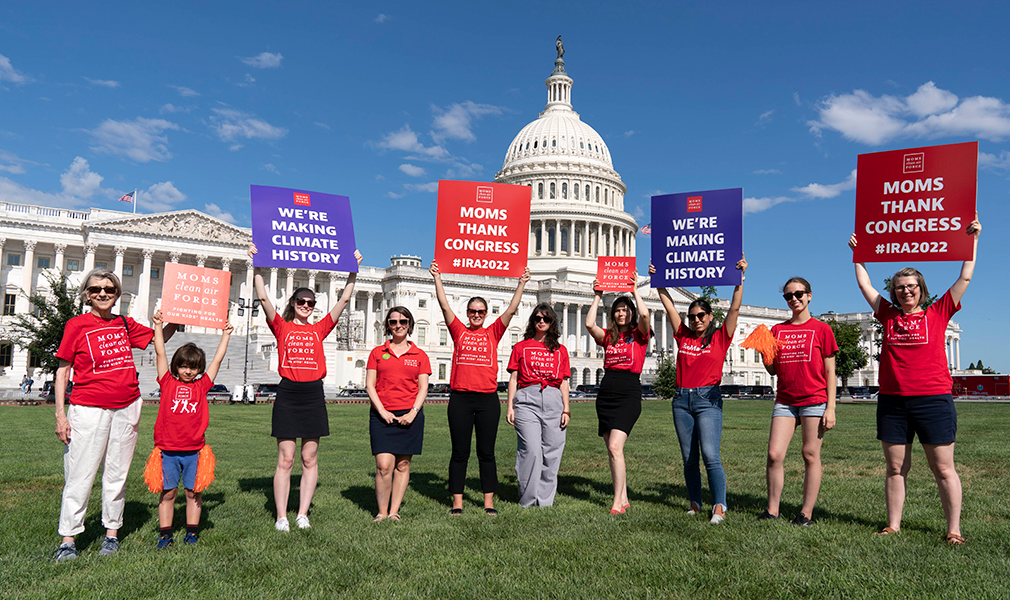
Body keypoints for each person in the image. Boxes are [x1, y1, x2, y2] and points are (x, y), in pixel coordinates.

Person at [849, 215, 981, 544]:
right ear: (894, 292)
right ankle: (893, 524)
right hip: (893, 402)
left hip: (933, 399)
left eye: (912, 286)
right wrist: (858, 255)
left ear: (921, 290)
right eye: (900, 287)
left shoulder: (939, 312)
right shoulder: (887, 314)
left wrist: (972, 240)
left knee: (943, 468)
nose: (906, 291)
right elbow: (865, 286)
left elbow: (965, 275)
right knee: (895, 468)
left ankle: (954, 529)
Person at [52, 269, 176, 562]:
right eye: (95, 289)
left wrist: (178, 317)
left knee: (117, 474)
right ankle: (68, 538)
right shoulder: (77, 325)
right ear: (87, 294)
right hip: (87, 408)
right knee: (79, 474)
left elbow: (159, 338)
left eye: (109, 289)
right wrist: (60, 415)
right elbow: (62, 371)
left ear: (117, 293)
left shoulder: (124, 323)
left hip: (127, 406)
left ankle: (111, 533)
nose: (102, 294)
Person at [250, 244, 362, 531]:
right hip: (288, 393)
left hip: (313, 394)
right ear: (293, 303)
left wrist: (353, 271)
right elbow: (262, 296)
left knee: (309, 457)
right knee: (286, 458)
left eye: (310, 302)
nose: (306, 305)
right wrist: (257, 264)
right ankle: (281, 516)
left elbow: (345, 300)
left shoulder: (319, 328)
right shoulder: (281, 327)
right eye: (301, 301)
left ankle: (302, 513)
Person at [430, 260, 531, 515]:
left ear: (486, 314)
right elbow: (443, 305)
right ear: (467, 313)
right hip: (461, 399)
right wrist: (437, 277)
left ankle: (488, 502)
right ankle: (457, 503)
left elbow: (511, 309)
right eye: (473, 311)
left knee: (487, 453)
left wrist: (521, 283)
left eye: (481, 312)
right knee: (459, 453)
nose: (476, 315)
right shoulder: (458, 331)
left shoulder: (493, 332)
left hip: (487, 400)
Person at [653, 255, 747, 524]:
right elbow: (668, 306)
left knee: (710, 454)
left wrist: (740, 278)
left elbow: (735, 310)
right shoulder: (682, 335)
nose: (696, 320)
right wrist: (659, 281)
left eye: (701, 315)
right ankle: (695, 502)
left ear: (710, 317)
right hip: (681, 398)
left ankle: (720, 505)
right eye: (692, 316)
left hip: (708, 399)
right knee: (688, 457)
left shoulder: (720, 338)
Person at [758, 277, 838, 526]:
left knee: (810, 454)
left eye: (799, 294)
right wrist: (764, 352)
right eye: (788, 296)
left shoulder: (822, 329)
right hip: (785, 400)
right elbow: (772, 370)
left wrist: (831, 408)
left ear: (809, 295)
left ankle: (806, 513)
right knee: (774, 454)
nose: (794, 299)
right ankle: (772, 510)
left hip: (814, 399)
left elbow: (830, 372)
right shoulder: (777, 330)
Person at [150, 310, 233, 548]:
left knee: (193, 493)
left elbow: (217, 361)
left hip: (194, 451)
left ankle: (192, 533)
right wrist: (158, 326)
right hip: (167, 450)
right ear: (177, 366)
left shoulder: (202, 386)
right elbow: (159, 352)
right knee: (167, 493)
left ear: (199, 369)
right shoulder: (166, 381)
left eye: (193, 367)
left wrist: (225, 335)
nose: (188, 371)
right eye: (184, 366)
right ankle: (165, 534)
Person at [585, 273, 650, 515]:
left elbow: (645, 315)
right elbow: (590, 325)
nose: (621, 314)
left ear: (630, 313)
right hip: (607, 392)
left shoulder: (640, 336)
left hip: (629, 392)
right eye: (617, 310)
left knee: (615, 447)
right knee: (612, 450)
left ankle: (616, 504)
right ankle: (623, 497)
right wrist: (597, 297)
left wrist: (635, 291)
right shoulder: (610, 337)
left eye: (625, 310)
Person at [365, 306, 431, 522]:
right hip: (381, 414)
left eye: (403, 321)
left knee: (403, 465)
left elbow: (423, 388)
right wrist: (382, 411)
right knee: (384, 465)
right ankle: (381, 512)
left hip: (409, 415)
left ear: (410, 325)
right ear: (388, 326)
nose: (398, 325)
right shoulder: (377, 352)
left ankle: (394, 512)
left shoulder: (420, 355)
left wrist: (413, 412)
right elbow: (369, 386)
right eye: (393, 322)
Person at [505, 304, 571, 507]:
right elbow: (514, 378)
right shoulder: (521, 347)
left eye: (546, 318)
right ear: (532, 321)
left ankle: (544, 501)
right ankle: (527, 499)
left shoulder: (560, 350)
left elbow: (564, 382)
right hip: (527, 399)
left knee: (552, 451)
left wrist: (566, 408)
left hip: (553, 399)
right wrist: (510, 406)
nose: (541, 322)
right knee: (531, 450)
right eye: (537, 318)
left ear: (552, 322)